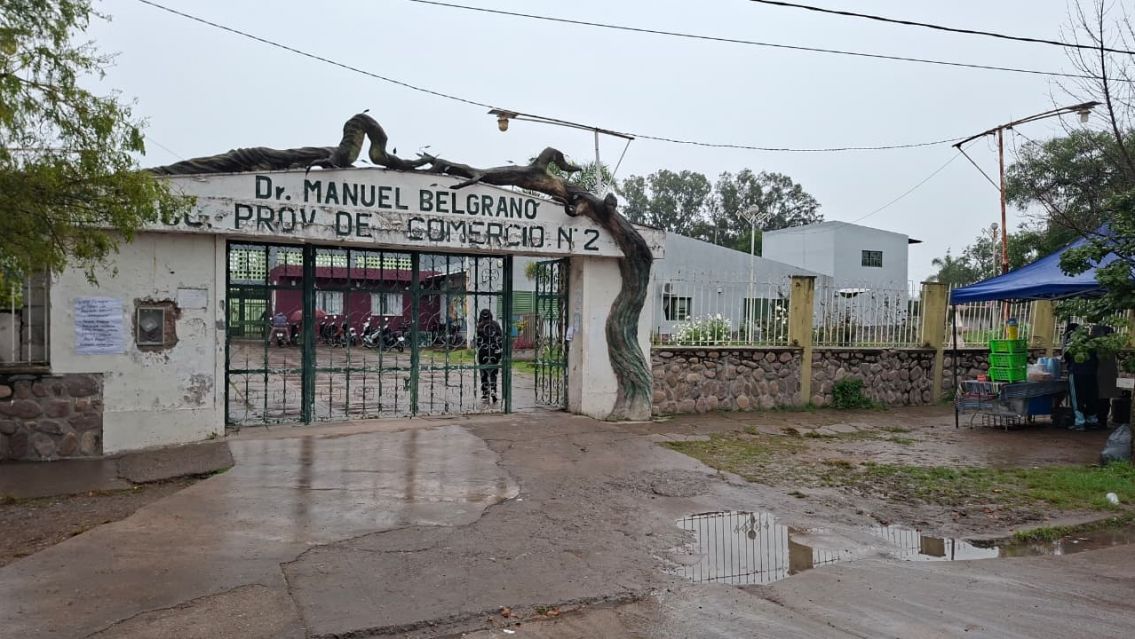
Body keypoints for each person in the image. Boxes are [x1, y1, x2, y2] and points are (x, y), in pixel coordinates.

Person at [1063, 322, 1100, 431]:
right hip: (1091, 374)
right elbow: (1097, 360)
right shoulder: (1091, 343)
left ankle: (1079, 422)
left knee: (1076, 398)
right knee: (1091, 396)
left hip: (1076, 373)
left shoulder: (1072, 343)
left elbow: (1067, 358)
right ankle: (1092, 420)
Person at [1092, 324, 1119, 427]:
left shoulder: (1100, 346)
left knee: (1101, 398)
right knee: (1105, 398)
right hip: (1108, 374)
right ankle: (1102, 420)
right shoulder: (1111, 345)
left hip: (1101, 375)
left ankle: (1100, 420)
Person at [475, 308, 503, 404]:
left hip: (483, 352)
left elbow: (478, 341)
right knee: (494, 373)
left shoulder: (480, 326)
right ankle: (494, 390)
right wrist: (499, 349)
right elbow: (500, 338)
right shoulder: (496, 324)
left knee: (484, 373)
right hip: (495, 352)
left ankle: (485, 392)